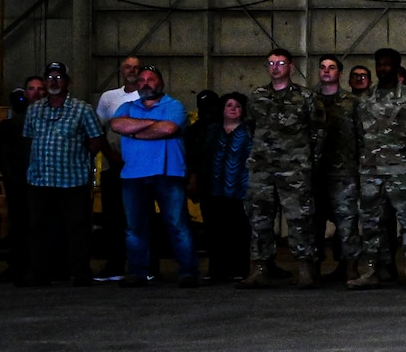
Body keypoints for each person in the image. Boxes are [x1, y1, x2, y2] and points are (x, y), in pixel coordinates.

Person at [243, 49, 325, 289]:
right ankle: (259, 269)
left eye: (280, 63)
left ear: (290, 66)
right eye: (270, 63)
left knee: (300, 220)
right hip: (262, 168)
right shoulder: (257, 97)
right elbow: (251, 127)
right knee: (259, 219)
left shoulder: (305, 97)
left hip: (295, 169)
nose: (275, 67)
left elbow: (318, 132)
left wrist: (309, 163)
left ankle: (305, 269)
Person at [106, 66, 195, 287]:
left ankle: (188, 272)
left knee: (177, 225)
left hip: (169, 174)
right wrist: (152, 126)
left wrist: (134, 131)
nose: (146, 83)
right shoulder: (126, 107)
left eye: (151, 79)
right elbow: (117, 125)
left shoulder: (174, 105)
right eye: (142, 79)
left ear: (161, 83)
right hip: (133, 176)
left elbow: (169, 129)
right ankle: (138, 273)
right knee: (135, 227)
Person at [349, 49, 406, 290]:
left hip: (403, 171)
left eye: (387, 65)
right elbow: (359, 135)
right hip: (372, 172)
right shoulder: (363, 100)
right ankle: (372, 270)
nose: (383, 68)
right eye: (379, 65)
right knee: (372, 223)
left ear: (397, 67)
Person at [23, 62, 105, 287]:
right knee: (38, 228)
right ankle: (39, 272)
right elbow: (29, 139)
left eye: (58, 77)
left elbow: (96, 140)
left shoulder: (82, 109)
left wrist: (77, 158)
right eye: (50, 77)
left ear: (67, 82)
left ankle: (79, 272)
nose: (54, 82)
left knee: (77, 229)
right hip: (40, 180)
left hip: (72, 180)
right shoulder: (34, 110)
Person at [94, 54, 143, 279]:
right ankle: (114, 264)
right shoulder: (108, 97)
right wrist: (110, 155)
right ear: (121, 71)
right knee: (112, 218)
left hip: (141, 168)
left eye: (136, 67)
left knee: (138, 218)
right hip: (114, 168)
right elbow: (98, 132)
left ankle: (141, 267)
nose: (131, 70)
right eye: (127, 67)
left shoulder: (150, 96)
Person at [313, 55, 360, 283]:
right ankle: (312, 268)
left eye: (331, 68)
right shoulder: (308, 100)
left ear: (339, 74)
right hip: (313, 172)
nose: (326, 71)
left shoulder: (352, 102)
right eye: (322, 67)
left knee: (347, 223)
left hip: (344, 172)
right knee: (313, 222)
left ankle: (349, 266)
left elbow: (362, 136)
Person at [201, 93, 253, 283]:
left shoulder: (249, 131)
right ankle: (216, 270)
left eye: (237, 106)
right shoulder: (211, 131)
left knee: (240, 232)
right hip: (214, 189)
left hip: (241, 190)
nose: (233, 109)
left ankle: (240, 269)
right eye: (229, 105)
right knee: (215, 232)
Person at [0, 77, 46, 284]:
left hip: (45, 180)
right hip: (18, 181)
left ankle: (42, 267)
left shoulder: (52, 118)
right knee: (18, 224)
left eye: (40, 89)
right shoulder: (12, 125)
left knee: (41, 225)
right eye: (31, 89)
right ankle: (18, 266)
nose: (35, 93)